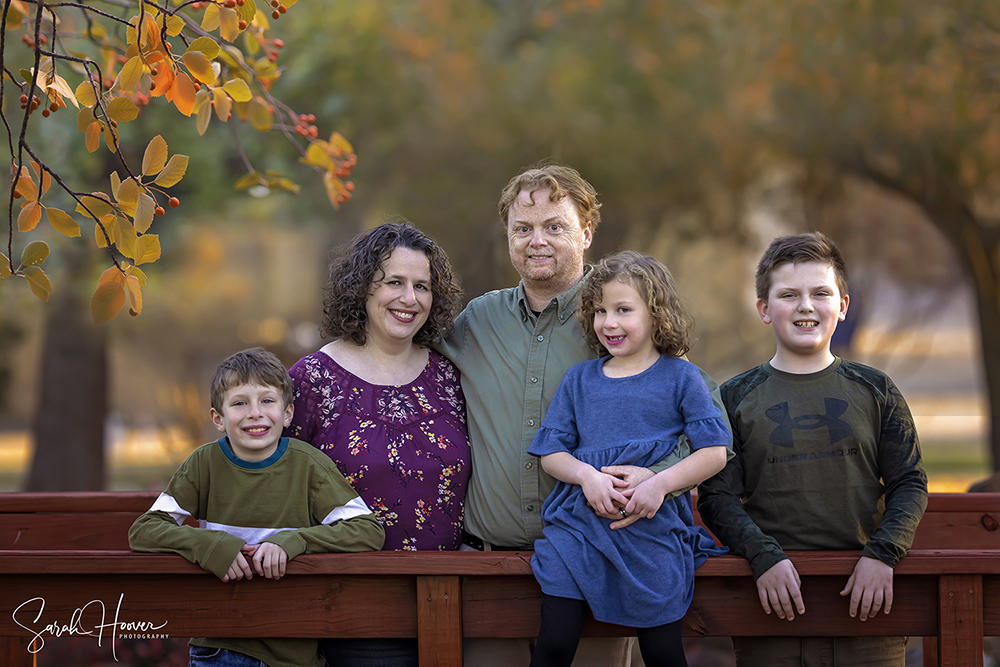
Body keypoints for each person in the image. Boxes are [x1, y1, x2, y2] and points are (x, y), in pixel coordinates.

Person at [436, 164, 732, 667]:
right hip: (490, 566)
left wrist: (657, 477)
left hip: (605, 559)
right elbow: (404, 352)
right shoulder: (479, 320)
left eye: (555, 225)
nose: (537, 240)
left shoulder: (623, 316)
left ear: (586, 232)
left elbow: (708, 425)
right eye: (522, 229)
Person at [697, 232, 928, 667]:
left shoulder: (876, 389)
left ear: (842, 305)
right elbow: (718, 497)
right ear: (764, 309)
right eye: (789, 294)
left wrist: (883, 554)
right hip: (772, 605)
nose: (806, 305)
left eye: (820, 293)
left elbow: (910, 482)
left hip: (867, 608)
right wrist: (763, 557)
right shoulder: (734, 397)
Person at [528, 251, 730, 667]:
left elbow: (713, 452)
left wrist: (659, 484)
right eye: (600, 311)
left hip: (651, 531)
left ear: (656, 315)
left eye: (623, 309)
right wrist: (587, 477)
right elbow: (551, 453)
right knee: (554, 643)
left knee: (662, 653)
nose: (609, 322)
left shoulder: (681, 377)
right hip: (579, 531)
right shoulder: (580, 380)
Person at [285, 220, 471, 666]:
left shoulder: (450, 375)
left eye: (422, 286)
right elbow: (275, 482)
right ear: (362, 289)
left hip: (456, 603)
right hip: (352, 608)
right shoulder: (312, 380)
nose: (410, 299)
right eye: (394, 283)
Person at [129, 348, 385, 667]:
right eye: (240, 403)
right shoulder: (204, 464)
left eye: (267, 400)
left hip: (292, 649)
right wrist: (209, 546)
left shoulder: (309, 465)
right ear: (218, 418)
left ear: (287, 413)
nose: (255, 413)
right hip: (220, 645)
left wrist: (295, 541)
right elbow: (144, 531)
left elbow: (367, 530)